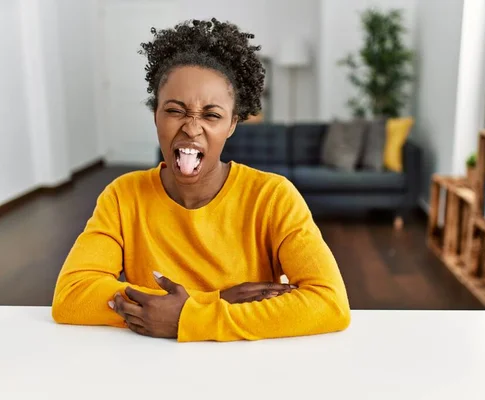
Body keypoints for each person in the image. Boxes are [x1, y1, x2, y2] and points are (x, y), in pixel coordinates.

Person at [51, 18, 351, 342]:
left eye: (211, 115)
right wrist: (213, 302)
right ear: (156, 115)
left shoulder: (274, 197)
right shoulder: (123, 196)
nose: (192, 129)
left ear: (233, 124)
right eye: (175, 110)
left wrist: (183, 318)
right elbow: (72, 295)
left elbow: (329, 302)